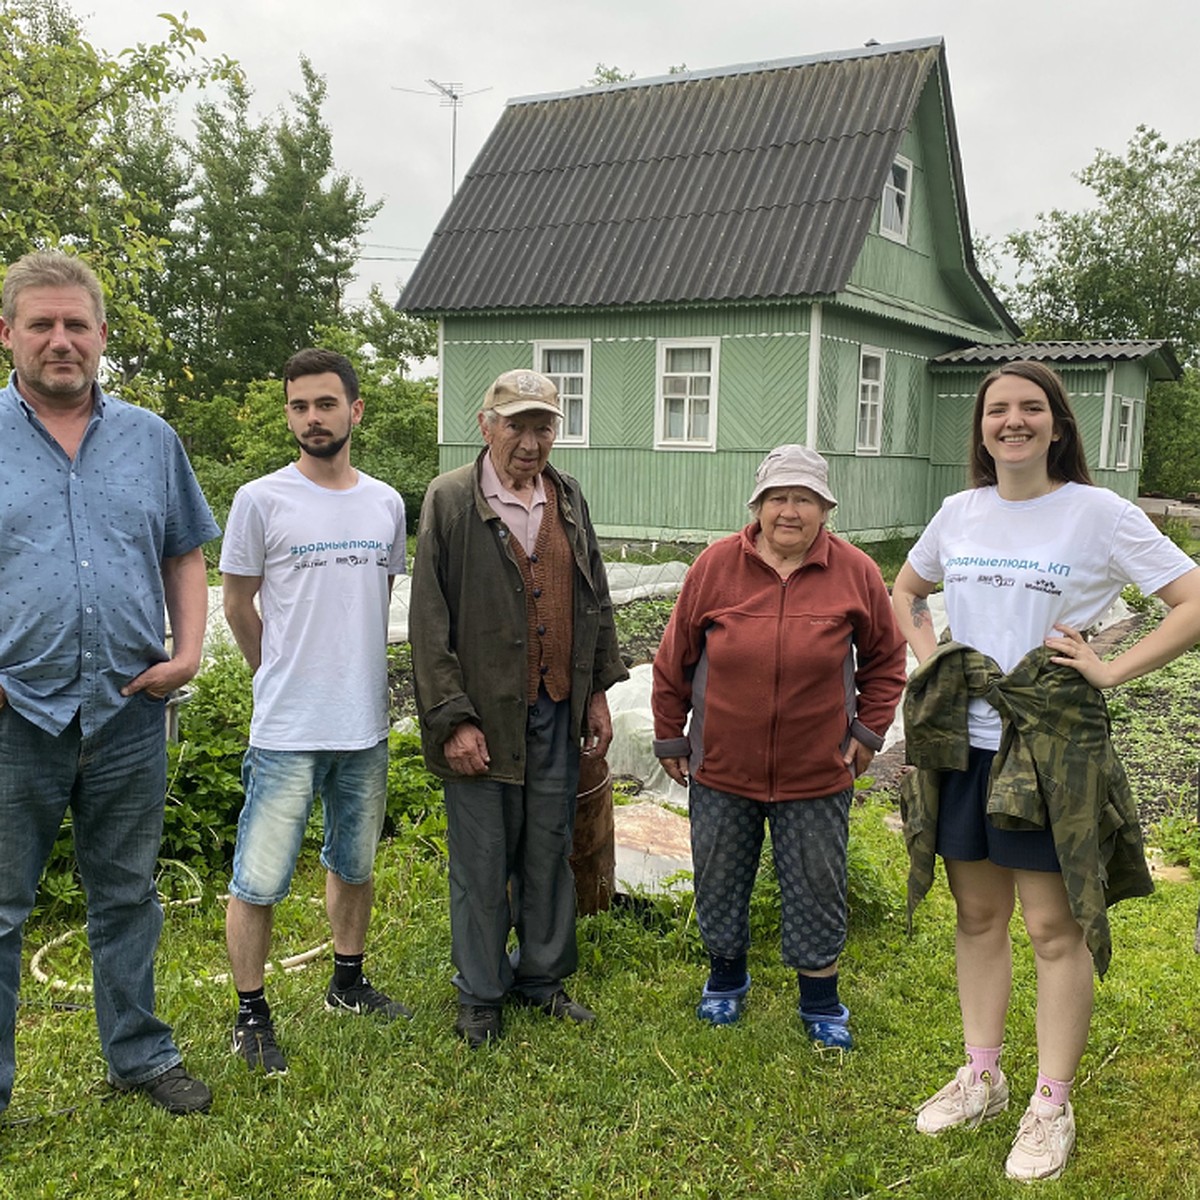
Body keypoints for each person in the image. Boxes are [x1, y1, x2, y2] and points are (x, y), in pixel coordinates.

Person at [892, 360, 1200, 1182]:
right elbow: (907, 591)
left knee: (1053, 929)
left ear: (1058, 425)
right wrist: (934, 660)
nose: (1014, 422)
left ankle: (1051, 1101)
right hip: (966, 745)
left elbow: (1192, 599)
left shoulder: (1097, 514)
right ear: (982, 427)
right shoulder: (960, 511)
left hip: (1052, 748)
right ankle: (983, 1075)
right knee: (976, 917)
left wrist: (1109, 670)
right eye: (999, 410)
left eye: (1032, 408)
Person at [0, 251, 219, 1116]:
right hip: (16, 715)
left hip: (130, 710)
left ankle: (139, 1056)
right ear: (8, 333)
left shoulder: (149, 439)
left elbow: (185, 550)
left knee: (127, 895)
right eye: (42, 324)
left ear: (100, 336)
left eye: (76, 324)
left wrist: (190, 650)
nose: (61, 340)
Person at [652, 445, 907, 1047]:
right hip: (722, 765)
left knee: (818, 883)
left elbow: (886, 660)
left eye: (804, 499)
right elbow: (674, 659)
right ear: (758, 505)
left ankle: (820, 1001)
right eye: (778, 498)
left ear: (825, 508)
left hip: (815, 770)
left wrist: (868, 732)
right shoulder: (716, 566)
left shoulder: (856, 572)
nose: (789, 512)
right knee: (719, 877)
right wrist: (670, 733)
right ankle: (725, 982)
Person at [410, 368, 628, 1047]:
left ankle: (540, 977)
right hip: (483, 715)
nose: (531, 442)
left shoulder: (567, 497)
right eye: (517, 425)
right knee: (481, 857)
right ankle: (479, 994)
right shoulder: (450, 500)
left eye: (544, 426)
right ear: (486, 425)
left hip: (554, 709)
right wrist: (452, 717)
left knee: (548, 848)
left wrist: (594, 692)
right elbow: (428, 621)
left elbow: (593, 597)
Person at [221, 349, 411, 1076]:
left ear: (355, 410)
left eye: (325, 404)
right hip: (287, 730)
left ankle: (348, 981)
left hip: (363, 723)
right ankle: (250, 1012)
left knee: (354, 864)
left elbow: (377, 599)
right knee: (259, 878)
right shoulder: (260, 500)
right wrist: (276, 673)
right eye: (299, 406)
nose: (311, 418)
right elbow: (237, 603)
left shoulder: (386, 503)